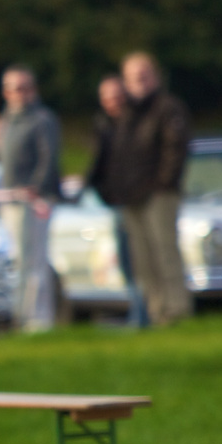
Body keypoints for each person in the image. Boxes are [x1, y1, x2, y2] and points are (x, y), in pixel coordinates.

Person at [109, 52, 192, 326]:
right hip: (132, 196)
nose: (139, 81)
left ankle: (177, 310)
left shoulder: (168, 108)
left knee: (165, 253)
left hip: (158, 194)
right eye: (133, 77)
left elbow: (175, 149)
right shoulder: (127, 113)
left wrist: (163, 184)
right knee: (143, 261)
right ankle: (157, 313)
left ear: (156, 77)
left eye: (144, 75)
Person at [0, 64, 63, 332]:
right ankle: (21, 316)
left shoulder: (42, 120)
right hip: (11, 202)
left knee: (35, 261)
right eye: (15, 89)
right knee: (20, 261)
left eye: (25, 88)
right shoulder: (7, 122)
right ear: (6, 92)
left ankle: (39, 321)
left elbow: (48, 158)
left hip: (34, 201)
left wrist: (35, 188)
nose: (20, 94)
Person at [84, 76, 147, 327]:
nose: (112, 102)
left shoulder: (137, 124)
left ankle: (144, 316)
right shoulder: (103, 126)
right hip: (116, 203)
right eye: (106, 98)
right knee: (127, 263)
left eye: (116, 96)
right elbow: (99, 166)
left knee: (140, 262)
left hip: (137, 202)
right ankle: (139, 314)